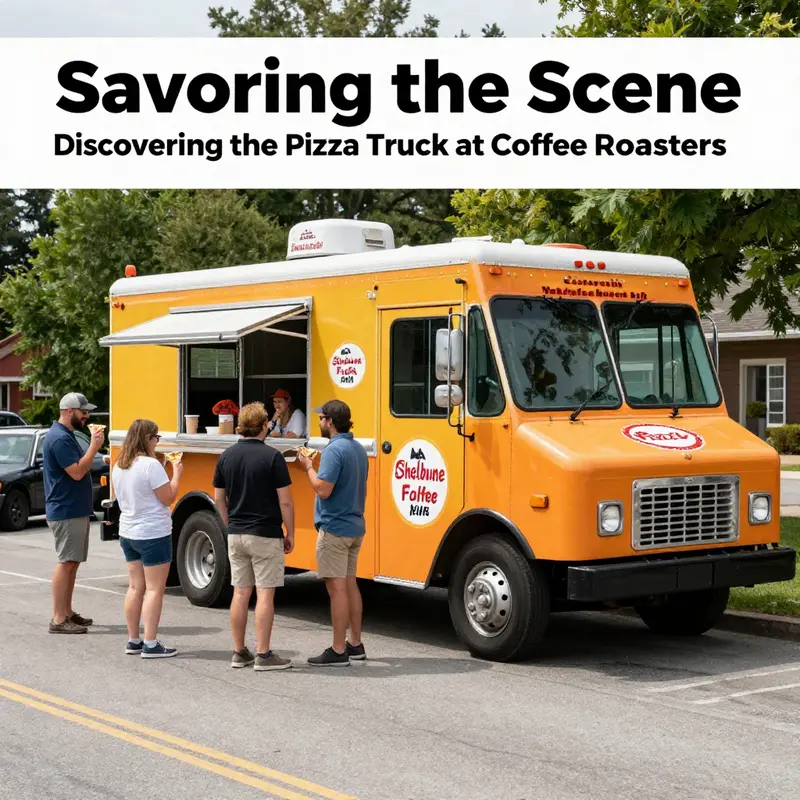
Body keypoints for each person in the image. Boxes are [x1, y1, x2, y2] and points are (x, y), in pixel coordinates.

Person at [213, 401, 294, 671]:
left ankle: (239, 652)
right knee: (265, 595)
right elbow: (285, 502)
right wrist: (290, 532)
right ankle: (264, 654)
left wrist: (229, 524)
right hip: (265, 533)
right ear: (263, 426)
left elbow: (219, 499)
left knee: (240, 593)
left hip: (236, 533)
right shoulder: (273, 457)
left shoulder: (226, 456)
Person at [297, 400, 368, 667]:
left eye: (321, 418)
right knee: (350, 585)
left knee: (336, 590)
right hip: (354, 526)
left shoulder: (334, 450)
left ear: (330, 421)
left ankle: (338, 650)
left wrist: (308, 466)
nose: (319, 422)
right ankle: (355, 644)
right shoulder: (357, 448)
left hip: (334, 529)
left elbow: (323, 489)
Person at [112, 419, 182, 658]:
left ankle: (133, 640)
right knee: (154, 589)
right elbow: (168, 497)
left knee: (135, 587)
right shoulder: (151, 465)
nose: (157, 442)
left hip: (128, 532)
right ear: (148, 439)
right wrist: (177, 473)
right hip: (153, 533)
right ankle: (151, 643)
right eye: (156, 438)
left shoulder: (120, 464)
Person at [43, 392, 105, 634]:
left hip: (72, 508)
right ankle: (59, 619)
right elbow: (77, 472)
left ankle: (67, 612)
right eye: (83, 411)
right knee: (66, 562)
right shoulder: (59, 438)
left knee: (72, 562)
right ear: (70, 411)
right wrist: (94, 446)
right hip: (66, 509)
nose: (87, 416)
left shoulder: (66, 434)